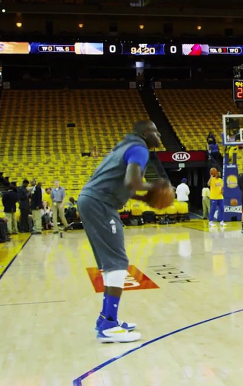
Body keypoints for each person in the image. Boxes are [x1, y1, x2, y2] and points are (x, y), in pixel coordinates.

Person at [78, 120, 169, 343]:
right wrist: (157, 186)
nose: (159, 135)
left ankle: (106, 320)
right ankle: (108, 325)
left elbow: (125, 185)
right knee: (118, 263)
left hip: (93, 200)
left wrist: (145, 197)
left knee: (112, 264)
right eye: (156, 131)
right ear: (145, 133)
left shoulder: (123, 148)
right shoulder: (139, 148)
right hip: (101, 203)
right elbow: (132, 181)